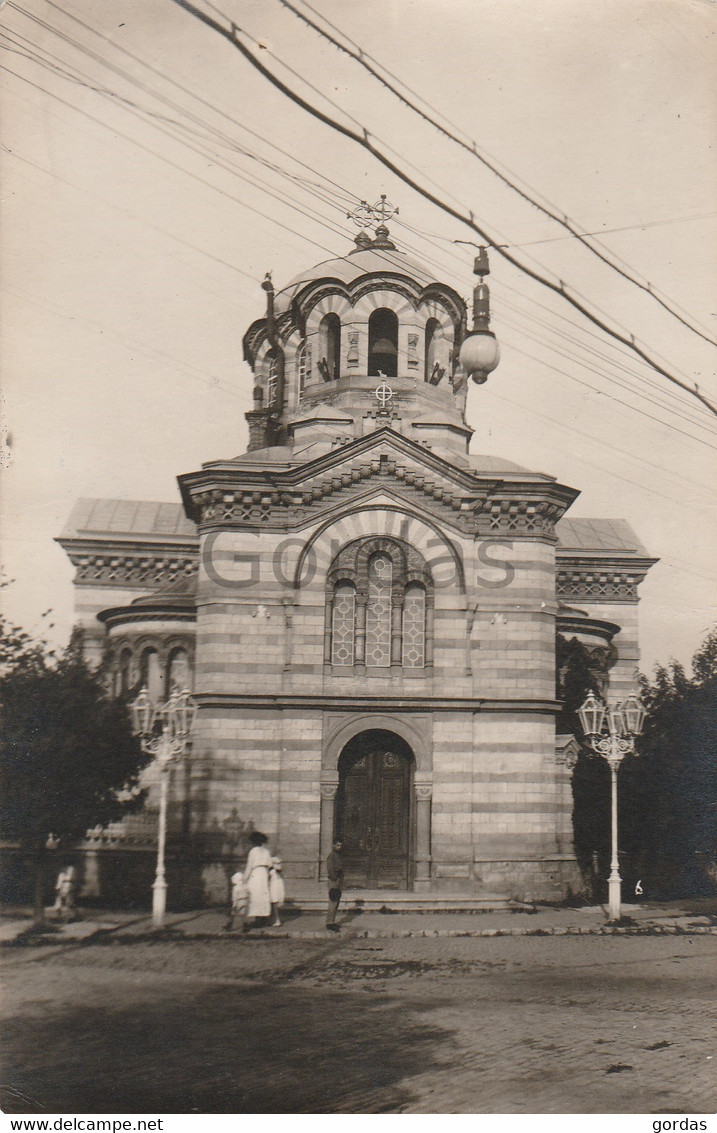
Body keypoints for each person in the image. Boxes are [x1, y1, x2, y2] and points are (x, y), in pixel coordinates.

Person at [228, 831, 273, 933]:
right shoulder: (266, 852)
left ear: (253, 842)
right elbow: (270, 865)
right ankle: (261, 918)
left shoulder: (253, 852)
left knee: (253, 895)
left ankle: (255, 918)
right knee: (263, 895)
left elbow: (249, 866)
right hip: (264, 874)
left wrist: (244, 878)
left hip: (255, 873)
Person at [326, 838, 344, 933]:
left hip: (338, 880)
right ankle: (329, 923)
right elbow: (330, 869)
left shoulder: (338, 855)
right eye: (337, 845)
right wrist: (335, 880)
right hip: (334, 880)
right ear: (333, 846)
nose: (339, 847)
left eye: (340, 845)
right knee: (333, 901)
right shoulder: (331, 856)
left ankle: (332, 921)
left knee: (336, 902)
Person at [269, 855, 285, 926]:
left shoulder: (272, 872)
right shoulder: (279, 874)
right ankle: (275, 919)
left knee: (274, 902)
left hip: (274, 887)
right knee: (275, 903)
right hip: (277, 886)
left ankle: (276, 919)